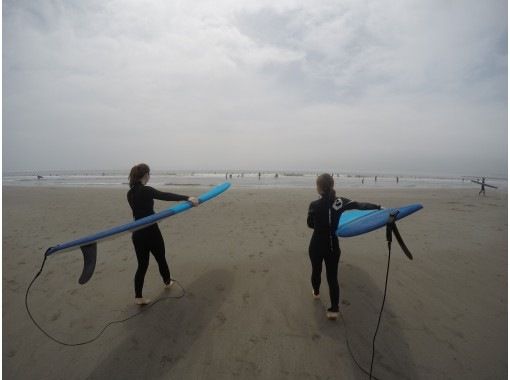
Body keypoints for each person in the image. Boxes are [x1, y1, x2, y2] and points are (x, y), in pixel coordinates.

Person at [307, 173, 381, 320]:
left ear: (319, 188)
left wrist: (321, 222)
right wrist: (378, 207)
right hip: (332, 246)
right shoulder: (339, 202)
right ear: (332, 186)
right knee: (332, 277)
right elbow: (359, 205)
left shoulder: (314, 205)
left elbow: (310, 224)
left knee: (316, 270)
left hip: (316, 245)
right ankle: (334, 309)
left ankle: (316, 292)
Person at [127, 163, 199, 305]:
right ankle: (167, 281)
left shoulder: (130, 193)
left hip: (137, 233)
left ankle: (138, 297)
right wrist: (187, 197)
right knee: (160, 258)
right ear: (146, 175)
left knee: (142, 265)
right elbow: (165, 196)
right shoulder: (146, 190)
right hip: (151, 231)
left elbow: (140, 212)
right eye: (149, 174)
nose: (150, 176)